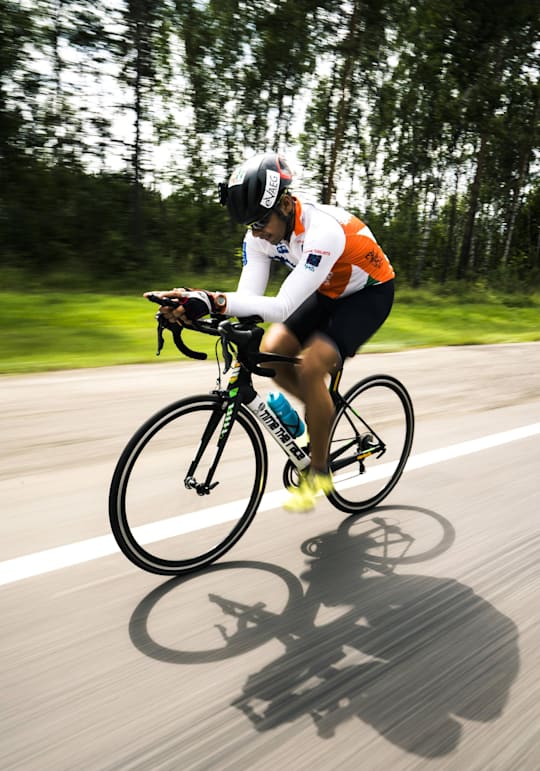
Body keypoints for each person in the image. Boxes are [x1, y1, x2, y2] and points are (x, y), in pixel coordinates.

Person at [145, 152, 395, 512]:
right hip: (327, 290)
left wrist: (211, 301)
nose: (257, 231)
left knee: (311, 367)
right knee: (272, 348)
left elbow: (280, 306)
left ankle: (320, 472)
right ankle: (318, 414)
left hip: (369, 294)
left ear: (285, 204)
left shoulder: (322, 230)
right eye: (249, 225)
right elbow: (247, 300)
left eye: (261, 221)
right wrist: (193, 308)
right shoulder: (259, 236)